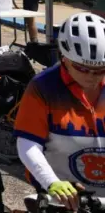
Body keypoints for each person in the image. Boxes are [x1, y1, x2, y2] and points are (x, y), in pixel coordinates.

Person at [14, 12, 105, 207]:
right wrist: (50, 181)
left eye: (100, 70)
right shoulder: (42, 87)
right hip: (64, 192)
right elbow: (27, 143)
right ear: (64, 58)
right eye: (82, 68)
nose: (92, 77)